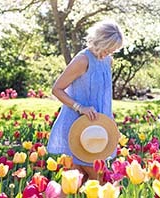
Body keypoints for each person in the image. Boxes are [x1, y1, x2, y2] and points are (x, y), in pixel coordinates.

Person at [47, 20, 123, 183]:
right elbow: (57, 89)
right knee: (101, 180)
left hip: (98, 128)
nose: (108, 53)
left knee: (76, 180)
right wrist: (80, 107)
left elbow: (103, 95)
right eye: (107, 49)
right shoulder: (83, 60)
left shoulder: (107, 60)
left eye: (112, 51)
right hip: (80, 127)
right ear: (99, 41)